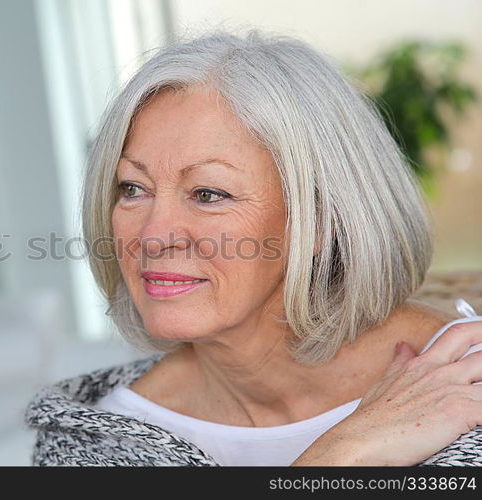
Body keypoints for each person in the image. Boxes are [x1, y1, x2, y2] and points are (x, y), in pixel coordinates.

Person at [25, 30, 482, 466]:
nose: (152, 235)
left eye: (208, 194)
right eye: (132, 188)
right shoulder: (93, 441)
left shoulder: (465, 397)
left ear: (322, 219)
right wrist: (341, 453)